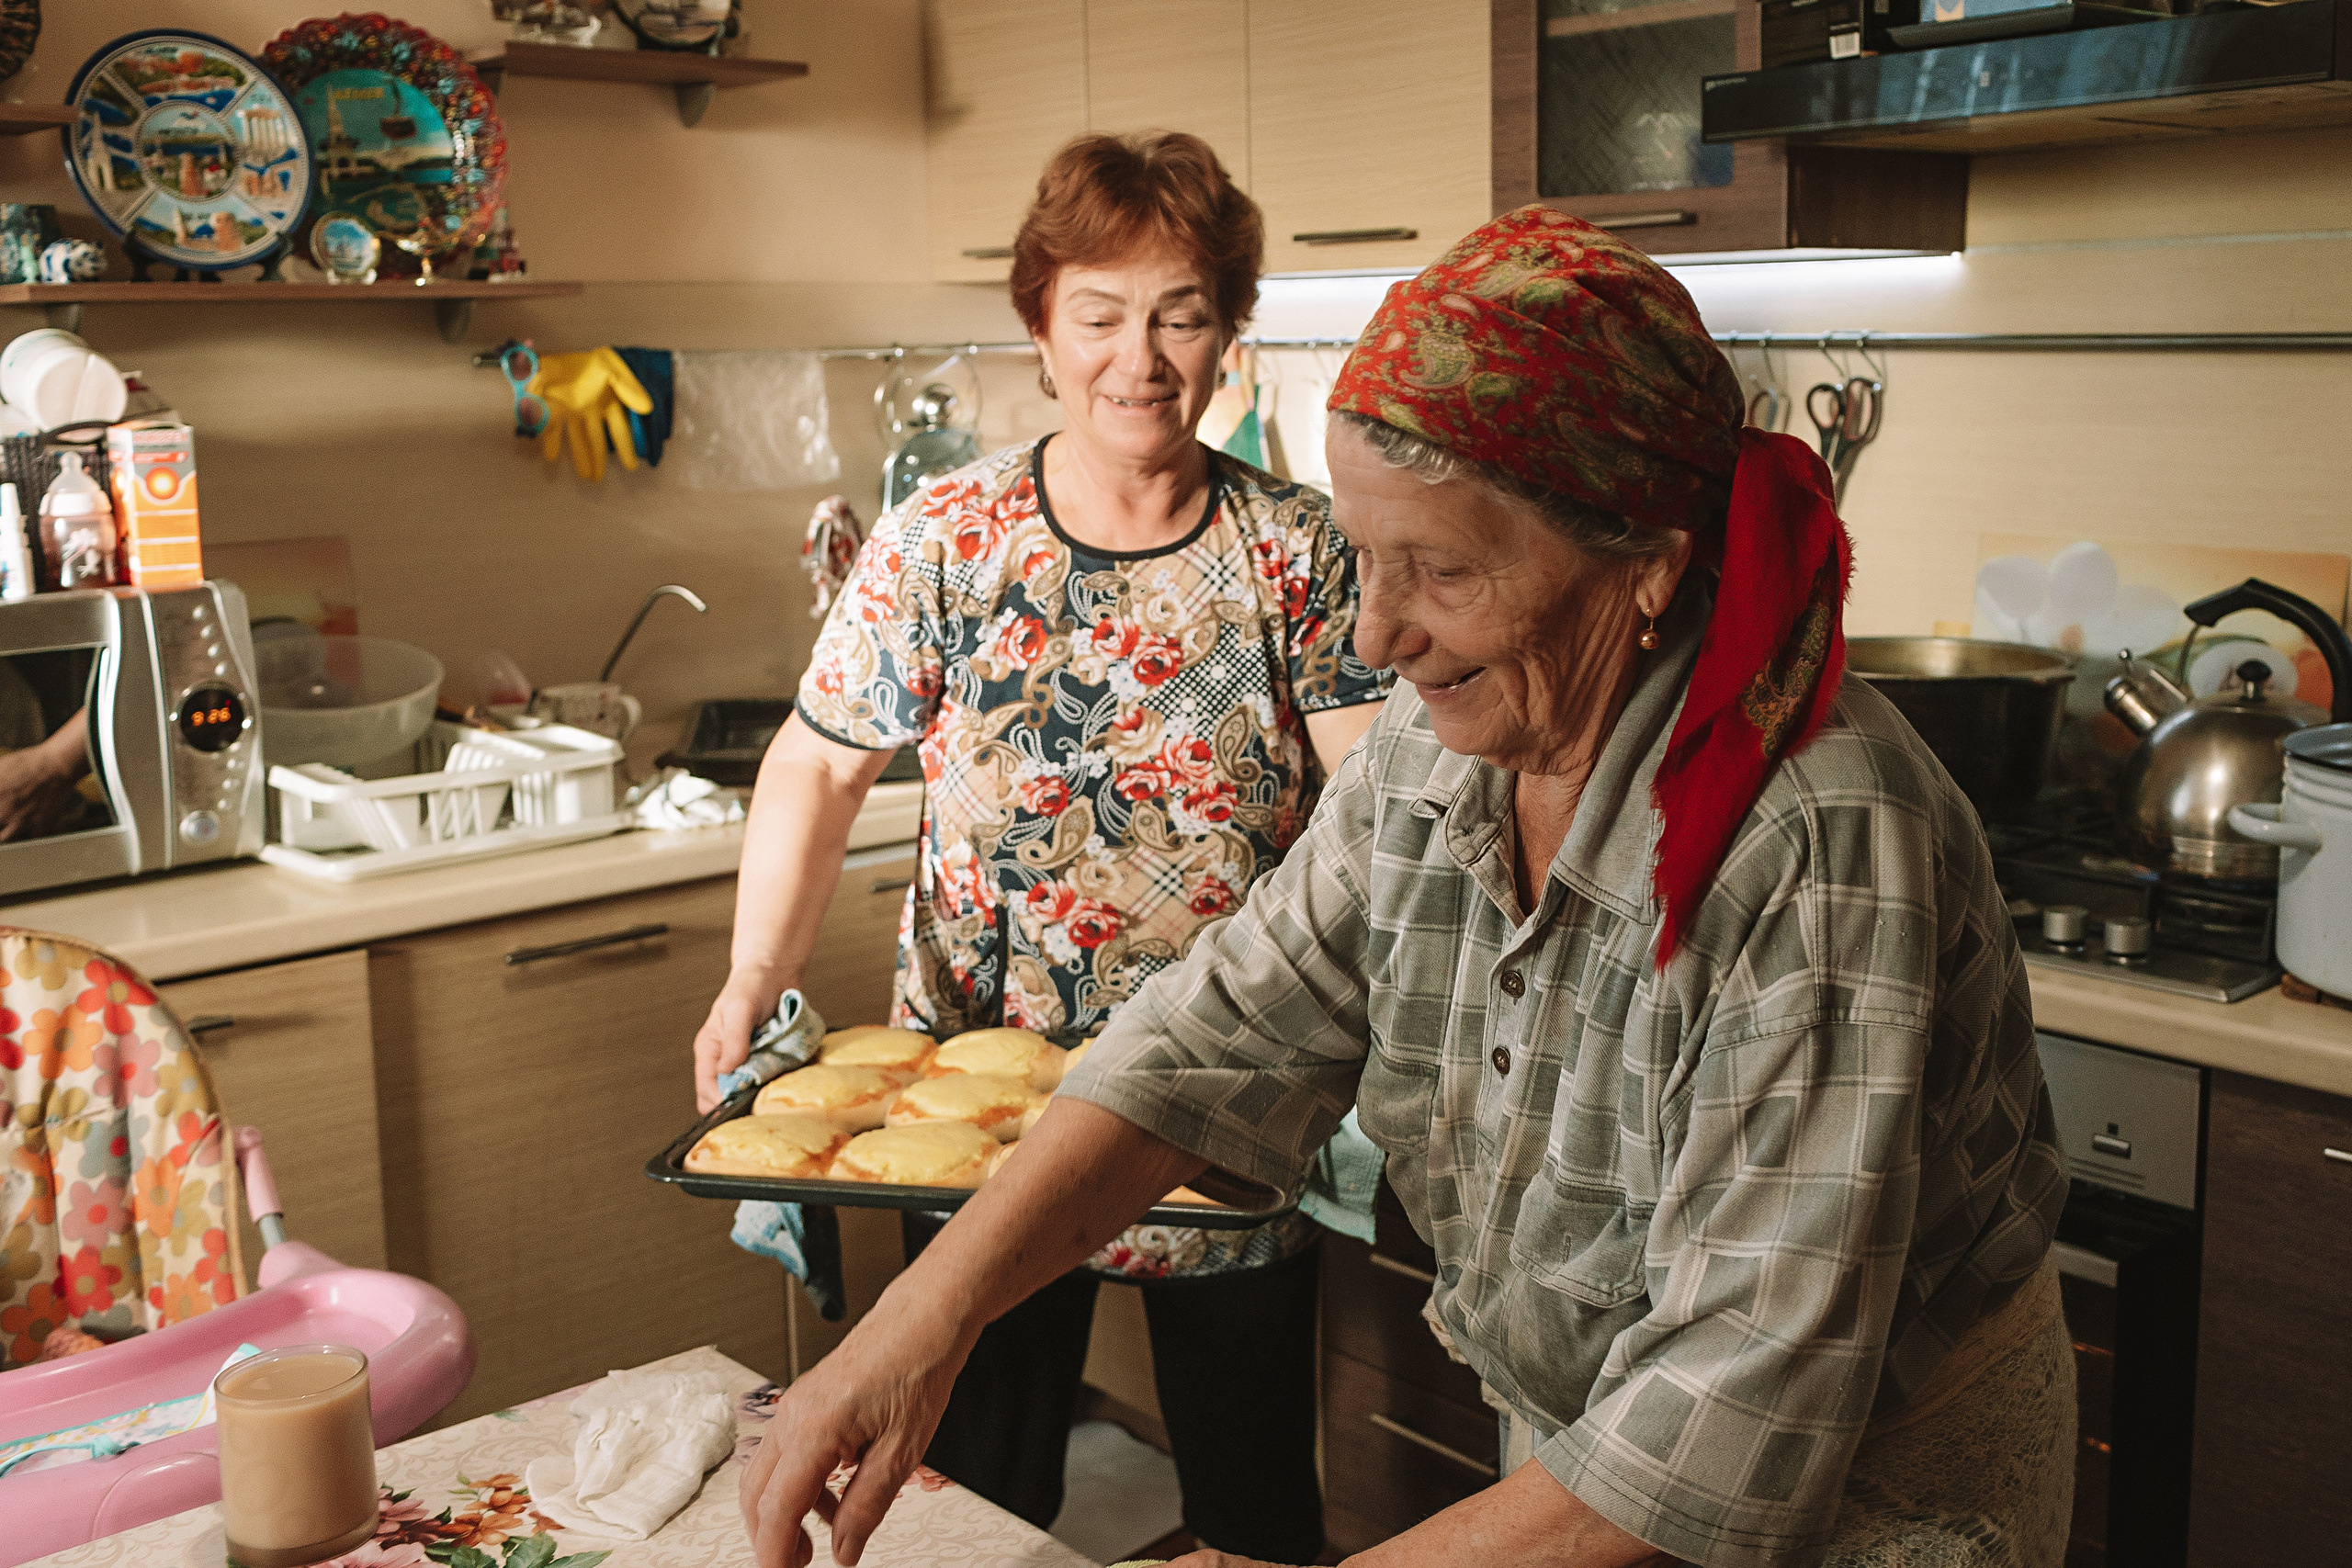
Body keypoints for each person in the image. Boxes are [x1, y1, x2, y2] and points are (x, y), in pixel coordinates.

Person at [735, 206, 2076, 1568]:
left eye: (1439, 570)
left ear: (1648, 568)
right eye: (1368, 558)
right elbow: (1213, 1035)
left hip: (1863, 1500)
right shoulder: (1441, 752)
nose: (1377, 633)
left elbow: (1734, 1407)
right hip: (1587, 1467)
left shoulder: (1812, 838)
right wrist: (920, 1324)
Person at [693, 131, 1387, 1561]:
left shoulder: (1297, 549)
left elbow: (1381, 805)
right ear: (1041, 328)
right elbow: (819, 765)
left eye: (1181, 315)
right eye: (1101, 315)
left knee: (1253, 1502)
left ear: (1229, 333)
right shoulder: (947, 539)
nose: (1141, 358)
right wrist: (754, 973)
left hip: (1226, 1096)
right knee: (968, 1493)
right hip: (970, 1101)